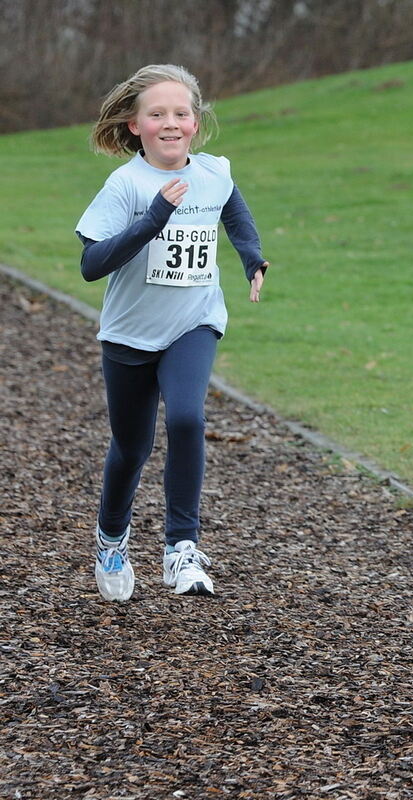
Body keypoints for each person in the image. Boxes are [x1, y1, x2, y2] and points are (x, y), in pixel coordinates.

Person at [76, 64, 269, 602]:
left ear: (195, 122)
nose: (171, 123)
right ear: (135, 125)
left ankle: (180, 547)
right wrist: (153, 218)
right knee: (131, 447)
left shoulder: (212, 172)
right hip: (130, 334)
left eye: (181, 113)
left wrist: (251, 256)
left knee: (187, 417)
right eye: (156, 114)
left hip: (194, 320)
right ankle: (111, 538)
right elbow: (92, 263)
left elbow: (232, 206)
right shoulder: (126, 185)